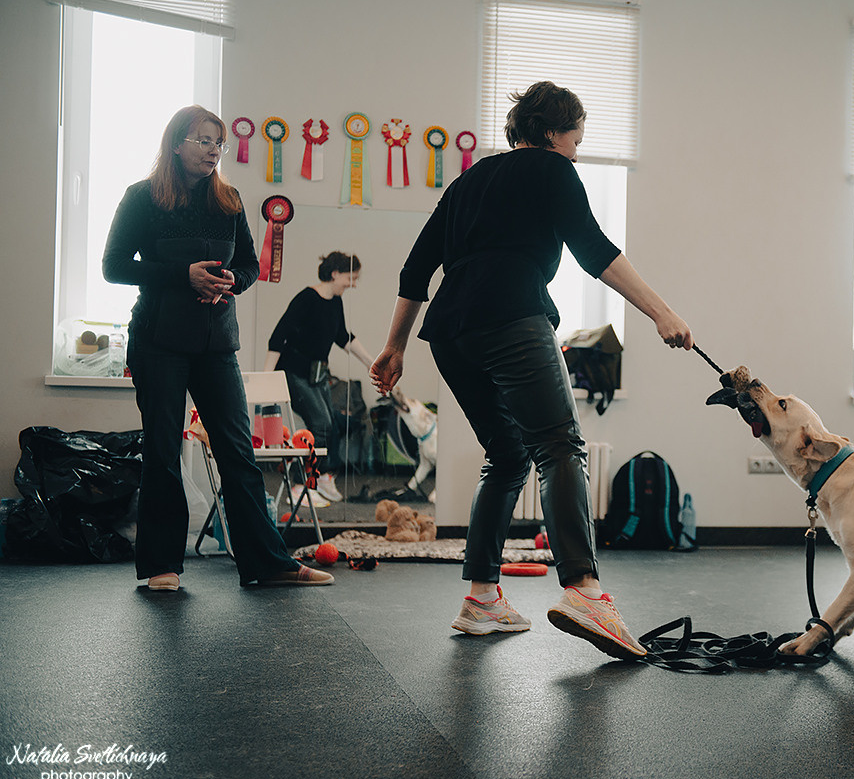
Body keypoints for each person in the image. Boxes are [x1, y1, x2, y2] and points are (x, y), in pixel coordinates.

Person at [370, 81, 693, 660]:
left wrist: (395, 347)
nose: (577, 153)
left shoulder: (468, 180)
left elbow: (416, 269)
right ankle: (584, 590)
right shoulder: (552, 169)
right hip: (512, 317)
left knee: (509, 453)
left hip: (450, 335)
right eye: (576, 140)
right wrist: (661, 312)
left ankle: (481, 598)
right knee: (560, 445)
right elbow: (593, 249)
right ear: (550, 133)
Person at [103, 105, 332, 590]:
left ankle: (268, 563)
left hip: (217, 344)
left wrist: (231, 282)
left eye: (218, 143)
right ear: (176, 144)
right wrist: (182, 275)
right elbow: (114, 266)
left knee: (237, 452)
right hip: (158, 342)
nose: (213, 151)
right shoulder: (142, 197)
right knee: (163, 451)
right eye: (203, 140)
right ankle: (162, 565)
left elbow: (249, 265)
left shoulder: (228, 200)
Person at [265, 251, 377, 502]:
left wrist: (371, 362)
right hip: (294, 373)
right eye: (351, 278)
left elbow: (342, 336)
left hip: (317, 374)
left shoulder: (335, 302)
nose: (353, 284)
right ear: (335, 274)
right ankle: (299, 485)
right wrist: (267, 380)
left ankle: (323, 477)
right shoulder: (306, 299)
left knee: (332, 425)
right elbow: (278, 337)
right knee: (321, 425)